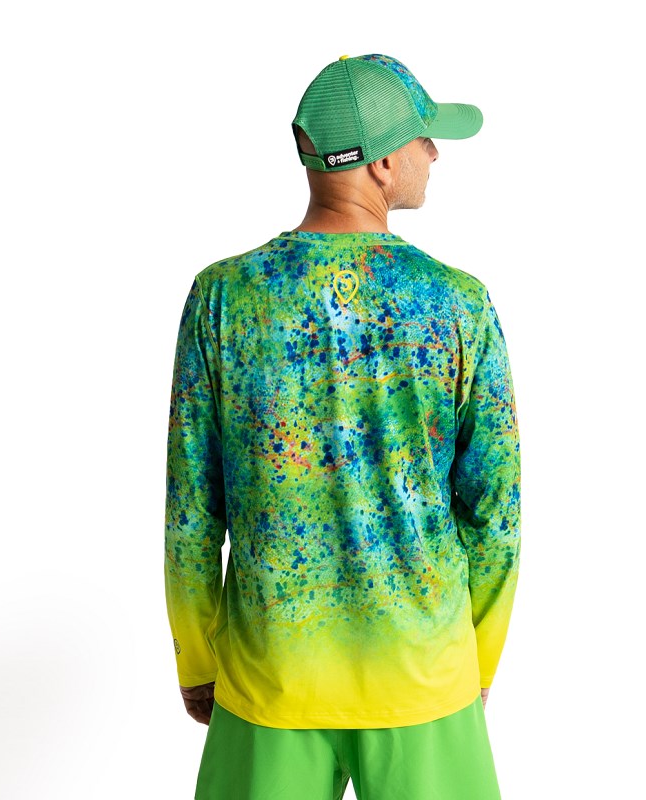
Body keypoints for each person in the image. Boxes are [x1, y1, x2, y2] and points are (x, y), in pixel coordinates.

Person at [165, 52, 522, 800]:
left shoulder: (224, 297)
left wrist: (197, 656)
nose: (434, 154)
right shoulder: (457, 303)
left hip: (272, 672)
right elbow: (495, 510)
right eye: (424, 138)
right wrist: (477, 658)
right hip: (420, 671)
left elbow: (192, 508)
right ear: (383, 165)